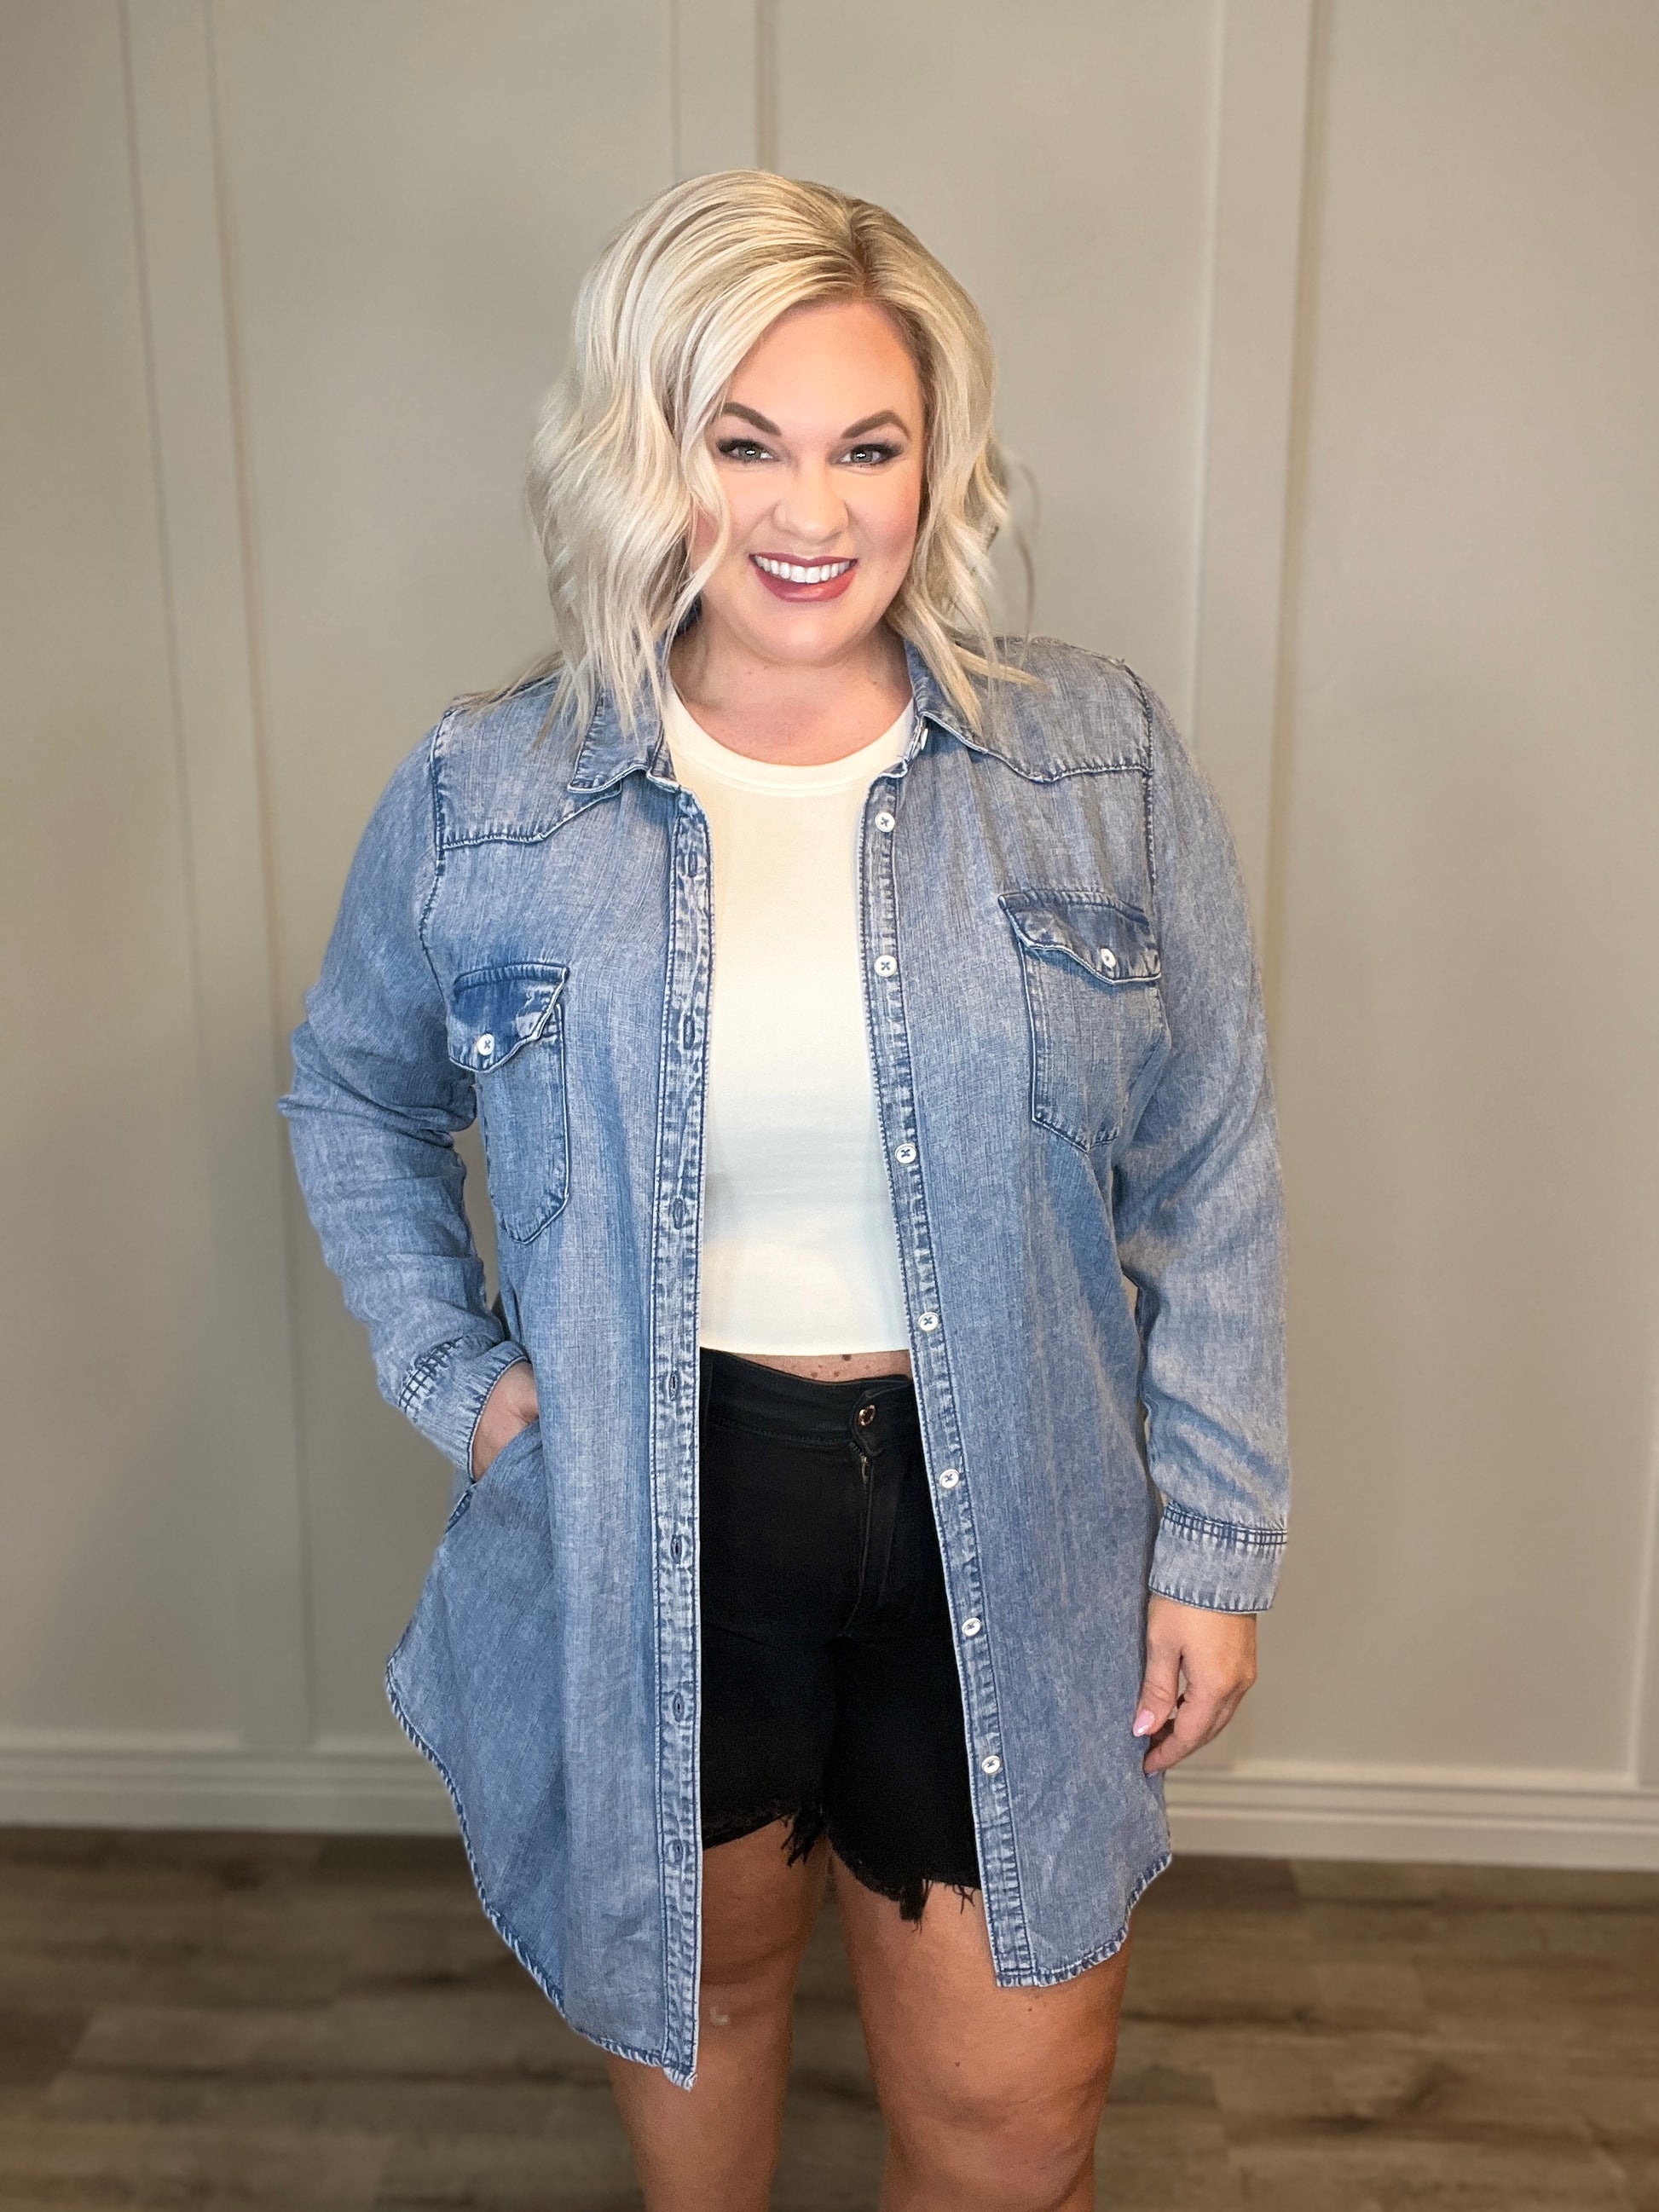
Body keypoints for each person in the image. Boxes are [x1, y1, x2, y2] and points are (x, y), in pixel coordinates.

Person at [279, 168, 1289, 2212]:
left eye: (866, 447)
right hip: (664, 1507)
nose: (810, 511)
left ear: (939, 463)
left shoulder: (1089, 763)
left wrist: (1217, 1536)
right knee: (713, 2025)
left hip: (1013, 1502)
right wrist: (462, 1381)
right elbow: (349, 1089)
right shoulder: (493, 790)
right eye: (742, 444)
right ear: (644, 456)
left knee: (1014, 2140)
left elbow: (1212, 1160)